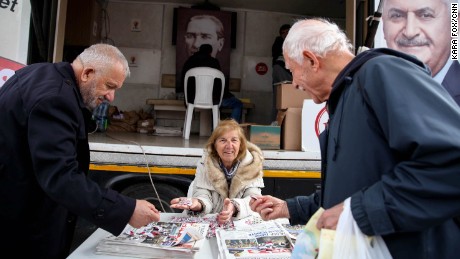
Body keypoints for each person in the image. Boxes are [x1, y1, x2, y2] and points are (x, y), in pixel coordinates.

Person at [250, 18, 460, 258]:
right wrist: (290, 208)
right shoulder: (343, 99)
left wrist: (360, 211)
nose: (294, 83)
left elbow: (451, 162)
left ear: (311, 60)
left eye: (292, 70)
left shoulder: (382, 73)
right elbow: (351, 192)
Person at [0, 44, 161, 258]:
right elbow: (61, 176)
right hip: (22, 225)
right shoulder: (55, 99)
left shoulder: (38, 73)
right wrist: (126, 210)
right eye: (109, 86)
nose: (111, 97)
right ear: (87, 73)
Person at [170, 119, 265, 224]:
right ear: (215, 145)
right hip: (212, 222)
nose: (229, 146)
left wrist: (234, 207)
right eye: (223, 140)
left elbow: (254, 198)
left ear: (241, 145)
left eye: (234, 140)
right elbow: (203, 193)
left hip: (240, 223)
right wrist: (198, 204)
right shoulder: (205, 164)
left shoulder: (252, 165)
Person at [382, 0, 459, 105]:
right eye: (397, 15)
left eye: (425, 15)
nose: (410, 32)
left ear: (455, 23)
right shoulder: (364, 95)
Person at [179, 44, 243, 123]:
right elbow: (219, 84)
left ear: (199, 50)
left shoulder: (189, 61)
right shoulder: (214, 62)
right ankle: (231, 129)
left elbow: (183, 82)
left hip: (191, 99)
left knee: (216, 101)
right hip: (212, 99)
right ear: (210, 52)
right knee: (238, 104)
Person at [271, 24, 292, 121]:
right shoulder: (279, 41)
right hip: (281, 69)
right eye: (284, 32)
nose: (286, 34)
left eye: (288, 31)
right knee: (281, 99)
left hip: (288, 71)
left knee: (281, 99)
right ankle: (277, 122)